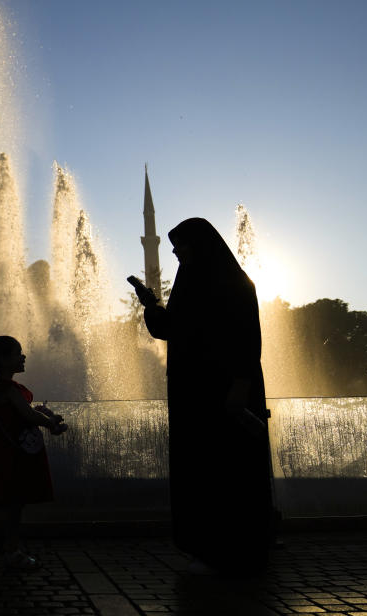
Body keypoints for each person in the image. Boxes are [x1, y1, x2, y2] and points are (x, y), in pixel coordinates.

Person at [132, 217, 274, 575]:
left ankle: (227, 551)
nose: (176, 252)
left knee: (224, 470)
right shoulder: (190, 285)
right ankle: (205, 548)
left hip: (223, 390)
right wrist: (149, 302)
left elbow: (247, 339)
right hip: (192, 392)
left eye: (181, 246)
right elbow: (170, 329)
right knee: (199, 468)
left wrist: (240, 387)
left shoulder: (235, 285)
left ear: (200, 244)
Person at [0, 335, 67, 571]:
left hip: (4, 452)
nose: (23, 356)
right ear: (3, 360)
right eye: (17, 352)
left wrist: (45, 415)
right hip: (10, 456)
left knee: (12, 505)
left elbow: (21, 414)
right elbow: (28, 416)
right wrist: (50, 423)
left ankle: (11, 550)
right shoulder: (8, 389)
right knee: (8, 505)